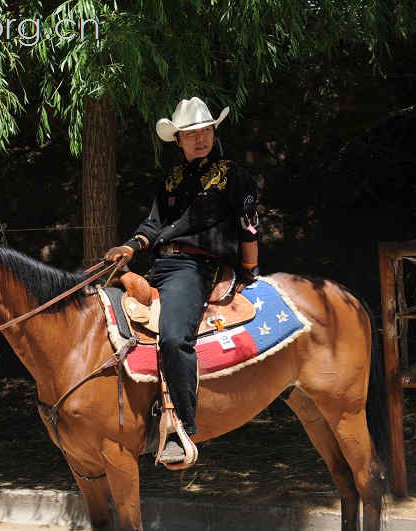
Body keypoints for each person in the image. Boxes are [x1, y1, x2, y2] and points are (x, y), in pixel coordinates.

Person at [104, 97, 260, 463]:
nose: (200, 138)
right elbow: (152, 226)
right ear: (179, 140)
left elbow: (249, 225)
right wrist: (128, 248)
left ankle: (183, 428)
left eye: (205, 130)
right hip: (159, 266)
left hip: (195, 269)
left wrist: (250, 271)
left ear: (213, 132)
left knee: (174, 337)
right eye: (192, 134)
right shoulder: (170, 179)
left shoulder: (233, 174)